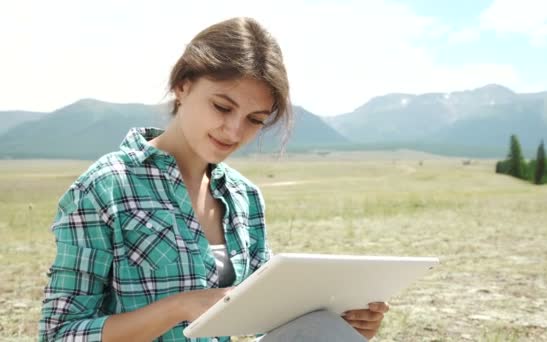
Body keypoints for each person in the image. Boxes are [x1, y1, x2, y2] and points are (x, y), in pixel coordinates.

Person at [39, 17, 389, 341]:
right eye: (222, 107)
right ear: (182, 85)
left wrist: (338, 325)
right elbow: (60, 333)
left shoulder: (244, 197)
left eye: (255, 119)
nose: (234, 131)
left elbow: (264, 319)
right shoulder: (105, 187)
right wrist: (180, 306)